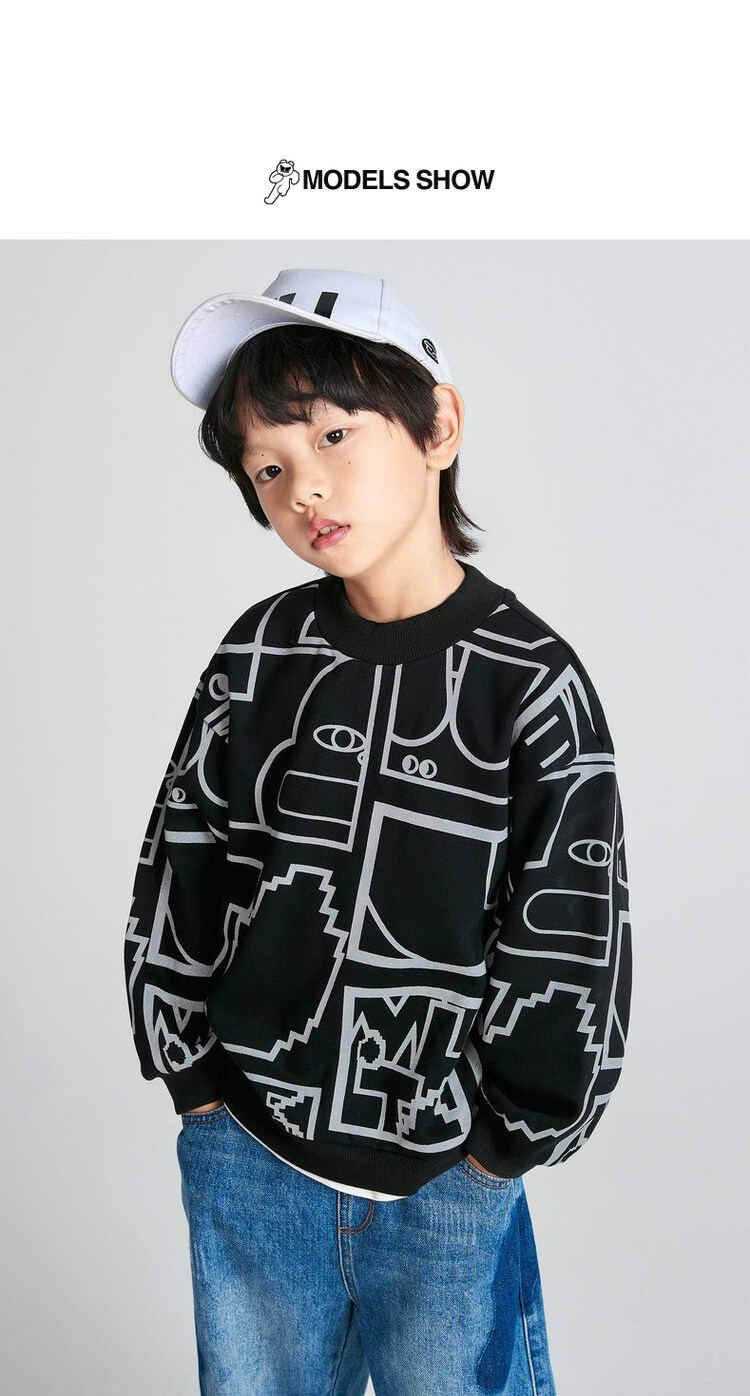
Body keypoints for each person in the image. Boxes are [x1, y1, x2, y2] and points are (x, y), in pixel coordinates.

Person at [124, 267, 632, 1395]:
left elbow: (573, 929)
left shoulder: (529, 683)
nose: (304, 485)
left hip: (447, 1179)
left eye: (334, 434)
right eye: (268, 467)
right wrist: (197, 1086)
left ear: (438, 424)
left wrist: (501, 1146)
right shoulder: (260, 654)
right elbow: (183, 859)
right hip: (250, 1149)